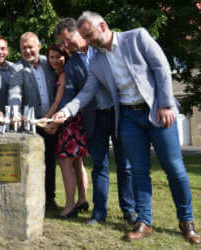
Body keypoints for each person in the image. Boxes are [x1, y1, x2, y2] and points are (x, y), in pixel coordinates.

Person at [53, 11, 201, 244]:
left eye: (89, 35)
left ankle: (187, 221)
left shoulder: (137, 37)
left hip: (156, 112)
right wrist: (65, 111)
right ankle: (145, 221)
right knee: (139, 172)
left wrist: (165, 104)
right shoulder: (97, 61)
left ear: (102, 25)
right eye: (83, 37)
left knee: (174, 168)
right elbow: (87, 92)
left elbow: (161, 68)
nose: (87, 42)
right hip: (128, 118)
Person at [54, 17, 137, 225]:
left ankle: (129, 210)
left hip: (119, 114)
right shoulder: (71, 65)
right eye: (62, 43)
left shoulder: (102, 47)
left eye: (66, 40)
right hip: (95, 118)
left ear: (77, 33)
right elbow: (70, 95)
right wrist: (59, 115)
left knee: (124, 165)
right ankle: (99, 213)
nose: (65, 46)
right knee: (99, 165)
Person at [8, 32, 58, 209]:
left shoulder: (49, 62)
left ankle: (50, 198)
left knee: (50, 161)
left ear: (38, 46)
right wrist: (14, 113)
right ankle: (32, 199)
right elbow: (15, 93)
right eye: (24, 48)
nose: (28, 51)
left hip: (51, 121)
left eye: (30, 47)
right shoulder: (17, 68)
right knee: (31, 163)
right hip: (32, 125)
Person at [44, 41, 90, 218]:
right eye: (52, 57)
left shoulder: (64, 75)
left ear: (66, 56)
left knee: (65, 164)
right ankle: (82, 199)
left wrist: (48, 119)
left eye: (59, 57)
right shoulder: (65, 72)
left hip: (67, 123)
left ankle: (70, 205)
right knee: (77, 163)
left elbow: (58, 101)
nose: (55, 60)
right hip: (75, 120)